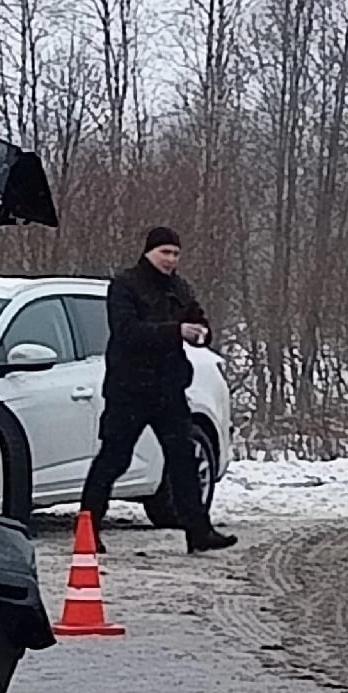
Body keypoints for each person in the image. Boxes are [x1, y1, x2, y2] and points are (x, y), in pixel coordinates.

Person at [78, 226, 237, 553]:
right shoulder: (125, 285)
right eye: (165, 252)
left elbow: (201, 322)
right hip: (129, 388)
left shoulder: (179, 287)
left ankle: (199, 531)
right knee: (114, 458)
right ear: (149, 252)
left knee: (182, 460)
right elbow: (127, 332)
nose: (171, 260)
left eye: (176, 254)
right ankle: (88, 529)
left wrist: (201, 334)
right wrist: (176, 330)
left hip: (169, 388)